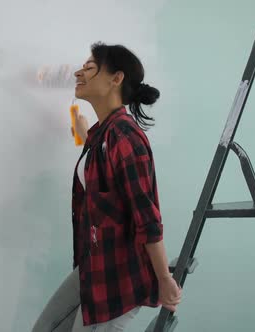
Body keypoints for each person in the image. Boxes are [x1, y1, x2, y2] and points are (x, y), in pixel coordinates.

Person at [33, 43, 182, 332]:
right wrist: (82, 132)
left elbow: (147, 217)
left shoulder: (124, 136)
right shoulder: (103, 134)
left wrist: (164, 279)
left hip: (120, 277)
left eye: (89, 68)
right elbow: (101, 180)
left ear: (116, 78)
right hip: (95, 267)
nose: (78, 72)